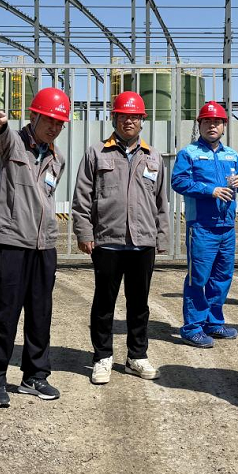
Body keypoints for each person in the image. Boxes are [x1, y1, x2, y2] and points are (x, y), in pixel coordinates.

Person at [71, 91, 169, 385]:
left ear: (142, 120)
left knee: (139, 304)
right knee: (104, 303)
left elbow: (161, 201)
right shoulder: (96, 153)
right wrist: (84, 231)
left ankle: (136, 356)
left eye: (134, 117)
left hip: (142, 243)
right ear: (114, 118)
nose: (129, 121)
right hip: (107, 241)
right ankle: (102, 357)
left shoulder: (153, 156)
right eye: (123, 116)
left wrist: (161, 237)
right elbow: (82, 196)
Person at [0, 88, 68, 409]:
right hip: (11, 242)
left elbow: (46, 197)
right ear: (34, 116)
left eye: (60, 123)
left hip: (44, 244)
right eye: (50, 120)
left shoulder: (58, 158)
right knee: (4, 313)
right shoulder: (13, 142)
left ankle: (34, 376)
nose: (54, 127)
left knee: (40, 313)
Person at [171, 100, 238, 348]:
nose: (212, 126)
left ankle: (214, 322)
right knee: (198, 278)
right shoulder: (189, 153)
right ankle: (192, 327)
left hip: (227, 226)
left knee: (222, 277)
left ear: (224, 125)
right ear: (200, 125)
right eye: (207, 121)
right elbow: (178, 181)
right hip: (201, 226)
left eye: (217, 122)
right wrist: (209, 190)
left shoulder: (231, 154)